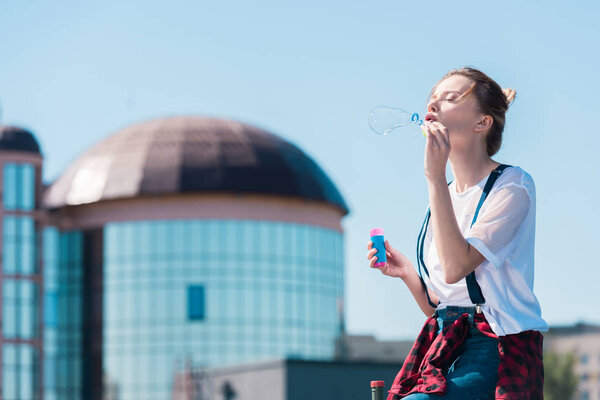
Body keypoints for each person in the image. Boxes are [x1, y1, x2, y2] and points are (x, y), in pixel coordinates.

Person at [366, 67, 547, 399]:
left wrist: (434, 176)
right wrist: (406, 271)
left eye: (449, 98)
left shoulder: (512, 186)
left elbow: (455, 268)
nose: (433, 105)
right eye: (432, 99)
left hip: (498, 347)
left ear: (482, 122)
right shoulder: (444, 196)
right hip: (446, 342)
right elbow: (444, 306)